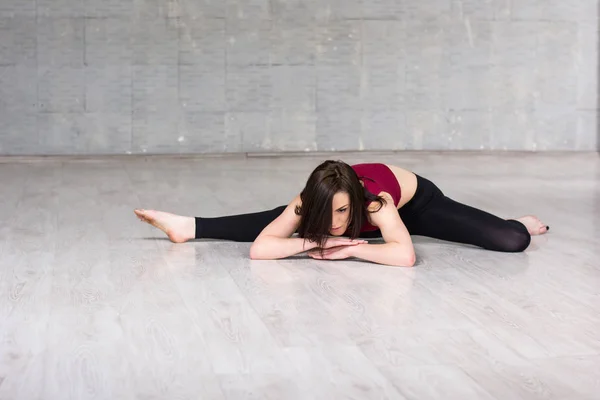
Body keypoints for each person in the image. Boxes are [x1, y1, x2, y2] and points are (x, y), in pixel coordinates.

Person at [134, 160, 549, 267]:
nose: (333, 220)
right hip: (356, 216)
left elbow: (404, 256)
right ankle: (188, 226)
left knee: (512, 241)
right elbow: (261, 248)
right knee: (267, 220)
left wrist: (349, 249)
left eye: (341, 213)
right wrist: (327, 239)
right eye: (323, 213)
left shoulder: (376, 203)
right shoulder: (308, 201)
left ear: (356, 202)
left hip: (418, 205)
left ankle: (514, 220)